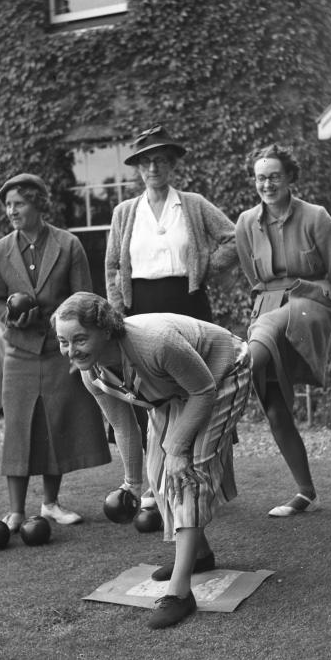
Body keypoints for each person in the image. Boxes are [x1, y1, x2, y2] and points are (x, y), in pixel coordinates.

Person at [54, 292, 251, 629]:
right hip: (174, 389)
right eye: (63, 342)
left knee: (187, 471)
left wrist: (177, 449)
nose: (71, 351)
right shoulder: (92, 372)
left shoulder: (154, 343)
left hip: (221, 374)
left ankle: (180, 593)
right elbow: (122, 424)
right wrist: (131, 484)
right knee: (156, 471)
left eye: (79, 339)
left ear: (104, 329)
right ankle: (200, 555)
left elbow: (203, 390)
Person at [105, 124, 238, 506]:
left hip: (188, 305)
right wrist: (116, 315)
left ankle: (209, 479)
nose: (153, 168)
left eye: (160, 160)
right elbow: (114, 266)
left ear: (172, 164)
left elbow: (233, 238)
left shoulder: (193, 204)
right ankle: (155, 485)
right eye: (146, 162)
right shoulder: (125, 212)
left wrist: (204, 268)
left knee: (200, 390)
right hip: (141, 311)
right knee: (152, 399)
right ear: (138, 169)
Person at [0, 173, 110, 531]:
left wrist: (66, 330)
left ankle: (50, 504)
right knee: (18, 428)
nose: (11, 211)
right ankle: (15, 512)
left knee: (55, 422)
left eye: (19, 203)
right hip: (20, 350)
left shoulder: (68, 245)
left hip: (60, 349)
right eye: (8, 205)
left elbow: (83, 299)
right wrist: (11, 318)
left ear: (38, 204)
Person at [235, 144, 331, 517]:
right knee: (274, 407)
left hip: (312, 303)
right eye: (260, 178)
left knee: (257, 343)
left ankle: (227, 379)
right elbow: (254, 278)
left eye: (274, 177)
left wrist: (325, 322)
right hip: (268, 307)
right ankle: (305, 492)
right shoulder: (245, 223)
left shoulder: (315, 217)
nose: (267, 184)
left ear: (289, 178)